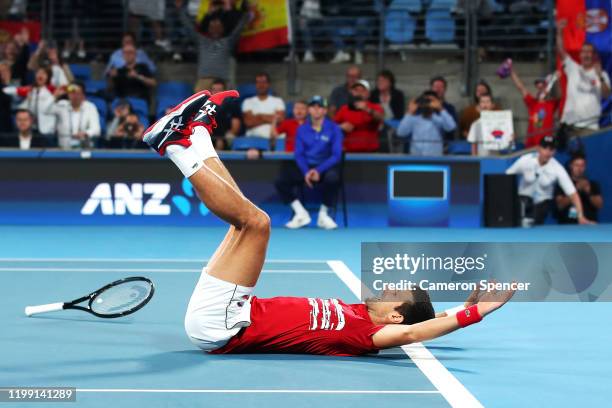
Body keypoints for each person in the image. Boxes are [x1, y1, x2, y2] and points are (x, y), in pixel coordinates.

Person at [140, 89, 515, 356]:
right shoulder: (359, 312)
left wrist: (475, 315)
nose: (387, 287)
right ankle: (199, 136)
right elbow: (427, 318)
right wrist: (461, 306)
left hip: (225, 326)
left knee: (257, 222)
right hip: (234, 311)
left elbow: (417, 330)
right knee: (243, 220)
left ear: (395, 316)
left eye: (395, 293)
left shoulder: (368, 334)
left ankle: (173, 145)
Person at [274, 96, 343, 230]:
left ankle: (323, 215)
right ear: (309, 110)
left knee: (333, 178)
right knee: (280, 180)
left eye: (320, 107)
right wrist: (306, 172)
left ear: (325, 111)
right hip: (306, 168)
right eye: (313, 107)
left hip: (325, 167)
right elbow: (299, 154)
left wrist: (318, 170)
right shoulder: (302, 129)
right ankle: (300, 213)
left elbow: (336, 155)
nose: (316, 110)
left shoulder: (334, 128)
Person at [506, 136, 594, 226]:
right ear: (538, 149)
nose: (547, 152)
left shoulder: (557, 168)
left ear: (554, 152)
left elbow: (573, 194)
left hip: (542, 203)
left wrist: (580, 216)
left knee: (531, 223)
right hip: (522, 200)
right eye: (545, 148)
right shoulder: (525, 160)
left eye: (551, 149)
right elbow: (506, 178)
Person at [177, 0, 249, 92]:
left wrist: (246, 13)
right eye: (212, 27)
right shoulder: (201, 40)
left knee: (223, 105)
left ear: (222, 29)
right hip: (203, 81)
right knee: (200, 105)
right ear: (208, 29)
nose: (215, 29)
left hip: (222, 82)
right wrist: (180, 10)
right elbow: (188, 27)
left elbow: (239, 28)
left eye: (217, 27)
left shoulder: (228, 41)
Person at [556, 20, 611, 133]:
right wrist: (559, 31)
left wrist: (599, 76)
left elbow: (606, 95)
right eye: (583, 52)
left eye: (589, 52)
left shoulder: (602, 74)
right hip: (569, 124)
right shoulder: (573, 68)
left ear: (594, 55)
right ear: (580, 55)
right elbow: (560, 50)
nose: (586, 55)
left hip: (589, 127)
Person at [509, 64, 559, 147]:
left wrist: (557, 79)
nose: (540, 87)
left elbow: (560, 94)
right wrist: (511, 72)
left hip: (546, 145)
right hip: (531, 144)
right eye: (538, 85)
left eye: (543, 85)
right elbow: (521, 87)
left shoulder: (552, 103)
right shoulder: (532, 102)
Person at [397, 91, 456, 156]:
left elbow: (451, 127)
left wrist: (441, 108)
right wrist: (409, 112)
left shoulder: (438, 119)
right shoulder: (413, 119)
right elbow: (401, 133)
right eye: (425, 102)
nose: (427, 104)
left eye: (430, 102)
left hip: (435, 157)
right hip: (416, 157)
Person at [334, 79, 384, 152]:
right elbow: (331, 127)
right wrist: (340, 127)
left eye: (362, 90)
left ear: (368, 94)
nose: (359, 93)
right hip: (348, 152)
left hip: (370, 152)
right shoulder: (344, 109)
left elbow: (380, 118)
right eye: (356, 90)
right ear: (352, 93)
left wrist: (367, 109)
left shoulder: (375, 107)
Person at [48, 82, 101, 149]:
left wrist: (85, 133)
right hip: (63, 150)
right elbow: (45, 111)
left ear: (83, 96)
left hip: (83, 149)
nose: (74, 96)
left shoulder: (90, 107)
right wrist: (54, 96)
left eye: (78, 93)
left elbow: (96, 129)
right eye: (72, 93)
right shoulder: (62, 105)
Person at [5, 67, 57, 136]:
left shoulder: (53, 90)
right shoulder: (31, 90)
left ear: (48, 76)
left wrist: (56, 96)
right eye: (38, 73)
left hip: (47, 130)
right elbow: (10, 90)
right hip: (32, 128)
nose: (40, 75)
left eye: (43, 73)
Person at [555, 154, 603, 224]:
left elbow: (599, 205)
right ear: (571, 166)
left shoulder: (593, 185)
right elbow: (560, 206)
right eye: (576, 165)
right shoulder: (562, 185)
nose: (579, 168)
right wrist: (575, 190)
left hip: (590, 224)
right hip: (568, 225)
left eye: (582, 166)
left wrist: (588, 191)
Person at [242, 72, 285, 138]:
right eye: (258, 82)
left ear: (268, 84)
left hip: (274, 137)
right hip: (253, 137)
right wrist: (271, 118)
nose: (261, 85)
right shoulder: (248, 102)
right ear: (255, 84)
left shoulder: (278, 101)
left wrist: (260, 116)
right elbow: (248, 122)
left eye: (264, 82)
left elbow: (280, 120)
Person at [210, 78, 242, 150]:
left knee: (229, 137)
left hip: (226, 136)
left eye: (219, 90)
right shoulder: (206, 106)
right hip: (210, 136)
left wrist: (221, 139)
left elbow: (235, 128)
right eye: (214, 90)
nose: (216, 92)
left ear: (225, 92)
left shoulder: (232, 105)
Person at [430, 76, 458, 140]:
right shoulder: (423, 106)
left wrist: (441, 109)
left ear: (445, 89)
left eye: (441, 87)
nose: (438, 89)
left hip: (444, 145)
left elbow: (453, 128)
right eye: (436, 87)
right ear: (431, 89)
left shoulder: (450, 108)